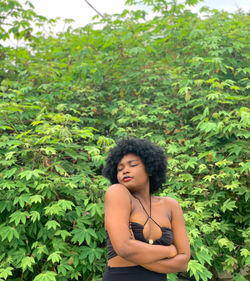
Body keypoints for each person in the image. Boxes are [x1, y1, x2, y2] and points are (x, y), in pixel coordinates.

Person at [102, 138, 190, 281]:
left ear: (149, 168)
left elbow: (183, 262)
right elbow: (125, 248)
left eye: (133, 165)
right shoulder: (117, 193)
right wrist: (169, 250)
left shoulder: (171, 205)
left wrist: (136, 255)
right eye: (120, 169)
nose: (125, 171)